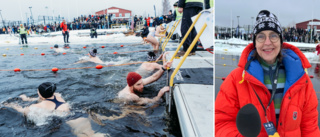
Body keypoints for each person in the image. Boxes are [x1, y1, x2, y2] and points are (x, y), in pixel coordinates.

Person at [215, 10, 320, 137]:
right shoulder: (236, 79)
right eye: (261, 36)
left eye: (273, 35)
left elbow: (310, 127)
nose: (268, 42)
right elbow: (221, 122)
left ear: (281, 40)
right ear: (254, 42)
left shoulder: (301, 79)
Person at [3, 82, 105, 136]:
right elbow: (42, 99)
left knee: (89, 135)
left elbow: (23, 110)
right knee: (92, 133)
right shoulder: (57, 95)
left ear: (41, 94)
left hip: (70, 121)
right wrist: (27, 99)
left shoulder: (37, 107)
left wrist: (10, 105)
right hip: (79, 115)